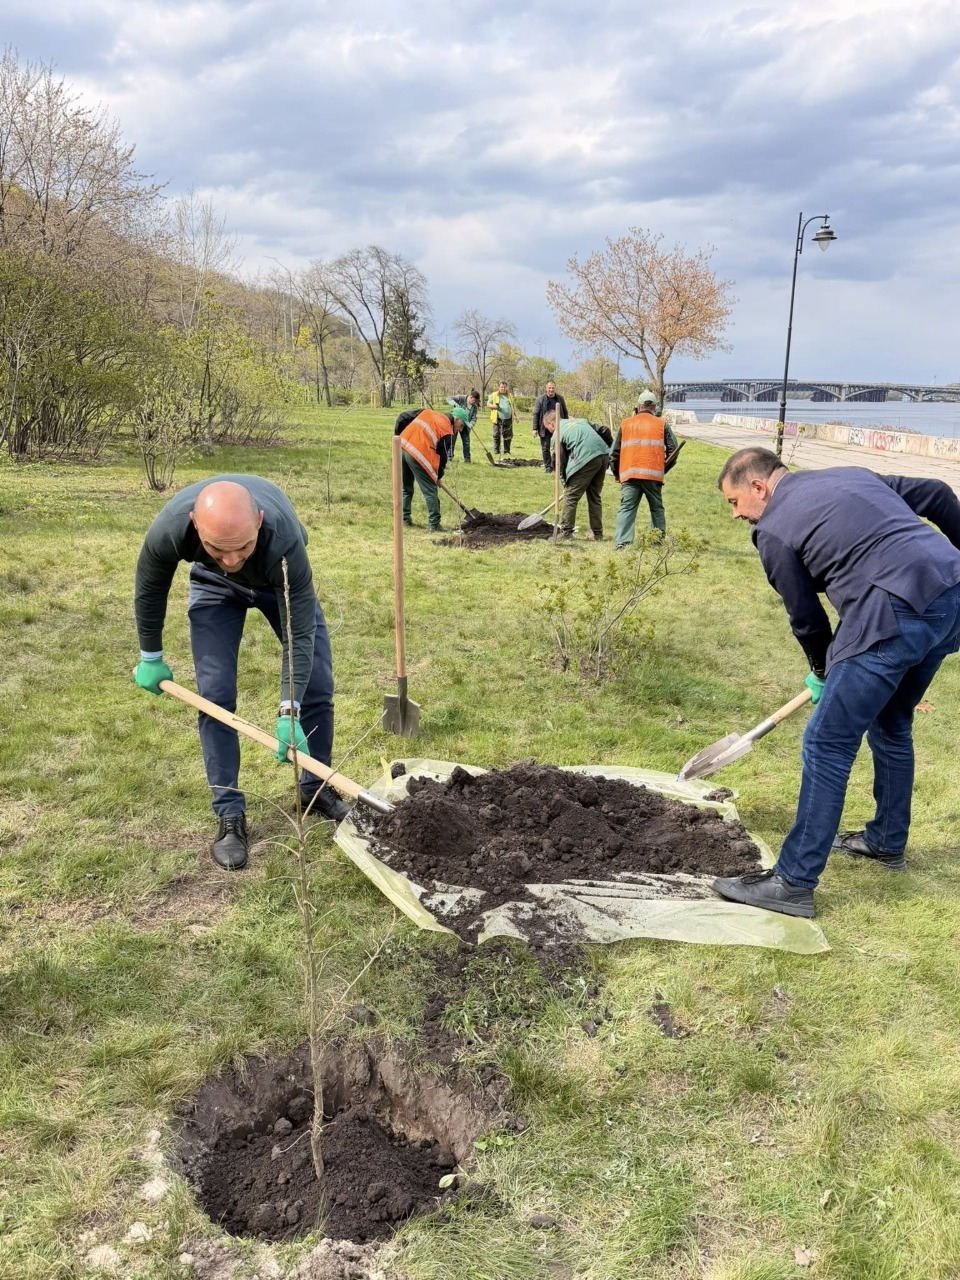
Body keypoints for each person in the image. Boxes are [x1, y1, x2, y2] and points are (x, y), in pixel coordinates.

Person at [711, 447, 960, 919]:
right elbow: (938, 493)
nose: (736, 514)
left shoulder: (773, 530)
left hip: (892, 611)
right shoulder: (851, 475)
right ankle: (886, 842)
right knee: (891, 722)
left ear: (759, 486)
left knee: (827, 741)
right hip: (952, 598)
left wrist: (824, 668)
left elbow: (805, 616)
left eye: (734, 501)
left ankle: (793, 882)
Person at [134, 476, 350, 872]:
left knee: (316, 685)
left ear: (260, 522)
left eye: (242, 547)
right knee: (214, 697)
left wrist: (289, 710)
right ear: (197, 526)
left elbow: (298, 634)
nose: (232, 560)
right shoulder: (170, 528)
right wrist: (151, 654)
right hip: (213, 587)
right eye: (219, 548)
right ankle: (230, 814)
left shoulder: (285, 541)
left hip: (274, 582)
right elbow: (150, 586)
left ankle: (315, 789)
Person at [611, 391, 679, 547]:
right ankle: (656, 541)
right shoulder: (661, 424)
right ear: (654, 407)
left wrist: (617, 474)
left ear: (638, 406)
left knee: (627, 508)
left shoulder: (626, 423)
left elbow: (614, 453)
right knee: (656, 509)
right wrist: (662, 468)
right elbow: (673, 451)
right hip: (653, 476)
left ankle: (622, 543)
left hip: (629, 475)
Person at [394, 406, 466, 531]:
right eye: (462, 425)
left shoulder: (427, 412)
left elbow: (403, 417)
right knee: (430, 490)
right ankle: (434, 524)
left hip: (401, 447)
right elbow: (442, 458)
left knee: (406, 488)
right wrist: (438, 477)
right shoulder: (447, 431)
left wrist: (397, 436)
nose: (461, 429)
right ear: (456, 419)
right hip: (417, 453)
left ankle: (404, 519)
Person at [541, 410, 610, 540]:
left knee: (570, 496)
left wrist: (565, 483)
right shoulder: (580, 420)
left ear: (552, 423)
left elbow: (559, 462)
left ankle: (566, 532)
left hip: (587, 457)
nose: (550, 432)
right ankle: (598, 534)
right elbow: (604, 430)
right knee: (594, 496)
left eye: (548, 428)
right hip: (603, 455)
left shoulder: (557, 434)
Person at [531, 381, 569, 473]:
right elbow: (536, 414)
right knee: (545, 448)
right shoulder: (540, 399)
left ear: (555, 388)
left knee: (559, 447)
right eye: (549, 388)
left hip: (558, 427)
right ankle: (548, 466)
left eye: (553, 388)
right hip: (545, 428)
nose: (551, 390)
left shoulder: (560, 399)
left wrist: (567, 425)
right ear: (546, 388)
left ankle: (557, 465)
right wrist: (535, 428)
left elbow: (565, 412)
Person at [444, 390, 480, 462]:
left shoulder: (474, 407)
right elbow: (448, 398)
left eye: (476, 401)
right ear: (470, 397)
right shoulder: (461, 398)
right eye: (474, 400)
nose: (475, 402)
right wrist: (454, 403)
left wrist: (471, 424)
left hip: (465, 425)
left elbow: (474, 418)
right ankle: (449, 457)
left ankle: (467, 459)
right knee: (452, 440)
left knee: (466, 441)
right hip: (456, 422)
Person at [486, 381, 516, 457]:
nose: (503, 388)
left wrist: (516, 416)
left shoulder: (509, 395)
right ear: (499, 387)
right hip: (497, 418)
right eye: (502, 387)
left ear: (506, 387)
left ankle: (507, 451)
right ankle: (496, 450)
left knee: (508, 435)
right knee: (496, 434)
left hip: (508, 419)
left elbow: (513, 406)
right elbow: (488, 404)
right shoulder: (494, 395)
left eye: (504, 387)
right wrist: (494, 407)